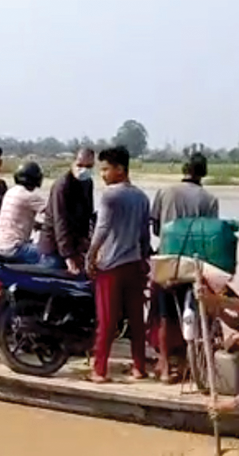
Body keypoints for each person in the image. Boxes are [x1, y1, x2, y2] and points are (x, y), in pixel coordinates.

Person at [149, 152, 220, 383]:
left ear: (184, 169)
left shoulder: (164, 192)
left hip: (167, 259)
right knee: (195, 312)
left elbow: (156, 229)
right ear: (204, 172)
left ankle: (164, 366)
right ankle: (190, 363)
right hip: (194, 263)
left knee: (163, 315)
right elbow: (211, 235)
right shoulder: (210, 200)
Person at [86, 146, 152, 383]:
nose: (102, 174)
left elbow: (102, 228)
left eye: (105, 169)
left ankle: (100, 369)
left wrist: (90, 255)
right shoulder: (142, 197)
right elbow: (145, 235)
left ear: (120, 170)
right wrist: (144, 258)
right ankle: (139, 367)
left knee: (107, 319)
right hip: (134, 263)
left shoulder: (110, 196)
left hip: (111, 265)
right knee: (136, 319)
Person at [38, 148, 95, 273]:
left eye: (88, 166)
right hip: (54, 248)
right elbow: (60, 222)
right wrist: (68, 256)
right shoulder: (62, 185)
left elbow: (87, 214)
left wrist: (85, 242)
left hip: (74, 246)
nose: (83, 170)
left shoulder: (88, 183)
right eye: (80, 165)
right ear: (73, 163)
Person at [0, 162, 47, 263]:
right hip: (15, 248)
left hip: (0, 247)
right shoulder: (30, 196)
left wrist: (39, 225)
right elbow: (55, 214)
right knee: (51, 256)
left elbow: (17, 216)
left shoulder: (10, 192)